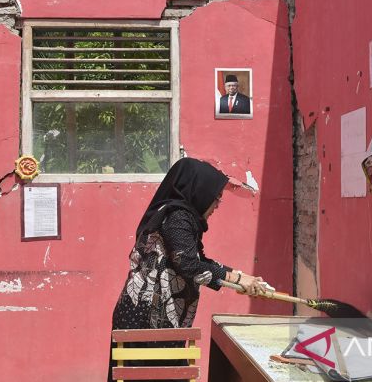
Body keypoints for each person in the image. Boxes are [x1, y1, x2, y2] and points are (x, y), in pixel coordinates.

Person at [108, 158, 266, 380]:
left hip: (156, 320)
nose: (217, 205)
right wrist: (236, 279)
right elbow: (189, 265)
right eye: (216, 197)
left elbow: (195, 260)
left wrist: (239, 278)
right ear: (199, 191)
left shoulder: (181, 216)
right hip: (146, 320)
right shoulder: (178, 217)